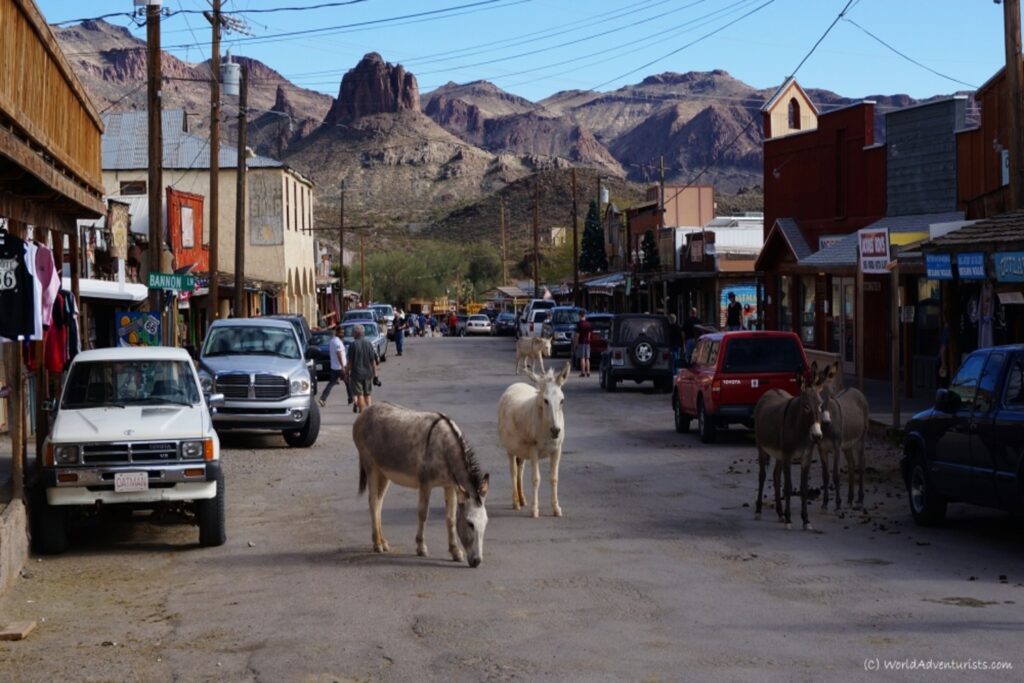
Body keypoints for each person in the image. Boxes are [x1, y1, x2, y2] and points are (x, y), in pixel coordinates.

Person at [347, 324, 380, 414]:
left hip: (356, 374)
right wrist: (375, 375)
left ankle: (363, 412)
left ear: (356, 333)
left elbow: (350, 362)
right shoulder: (368, 344)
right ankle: (370, 412)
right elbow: (373, 361)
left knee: (360, 394)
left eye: (353, 332)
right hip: (368, 374)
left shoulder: (353, 345)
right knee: (368, 394)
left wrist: (345, 372)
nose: (352, 334)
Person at [317, 325, 351, 408]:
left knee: (332, 384)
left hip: (334, 367)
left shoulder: (333, 341)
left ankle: (323, 398)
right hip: (339, 368)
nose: (342, 334)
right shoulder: (337, 342)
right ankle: (352, 399)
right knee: (348, 383)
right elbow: (339, 354)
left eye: (343, 332)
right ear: (337, 332)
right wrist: (343, 367)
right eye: (341, 332)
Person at [575, 312, 593, 377]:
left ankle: (583, 372)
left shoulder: (579, 324)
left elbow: (577, 335)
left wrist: (576, 344)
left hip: (581, 342)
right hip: (587, 343)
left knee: (582, 358)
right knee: (587, 358)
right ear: (584, 316)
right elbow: (589, 334)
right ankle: (588, 371)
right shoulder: (588, 324)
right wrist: (588, 340)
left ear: (580, 316)